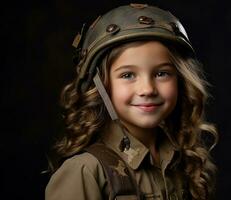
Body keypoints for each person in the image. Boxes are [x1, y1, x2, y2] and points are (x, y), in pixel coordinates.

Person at [45, 3, 218, 200]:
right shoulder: (85, 172)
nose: (148, 89)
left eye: (162, 73)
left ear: (181, 80)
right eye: (128, 75)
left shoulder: (185, 163)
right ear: (101, 86)